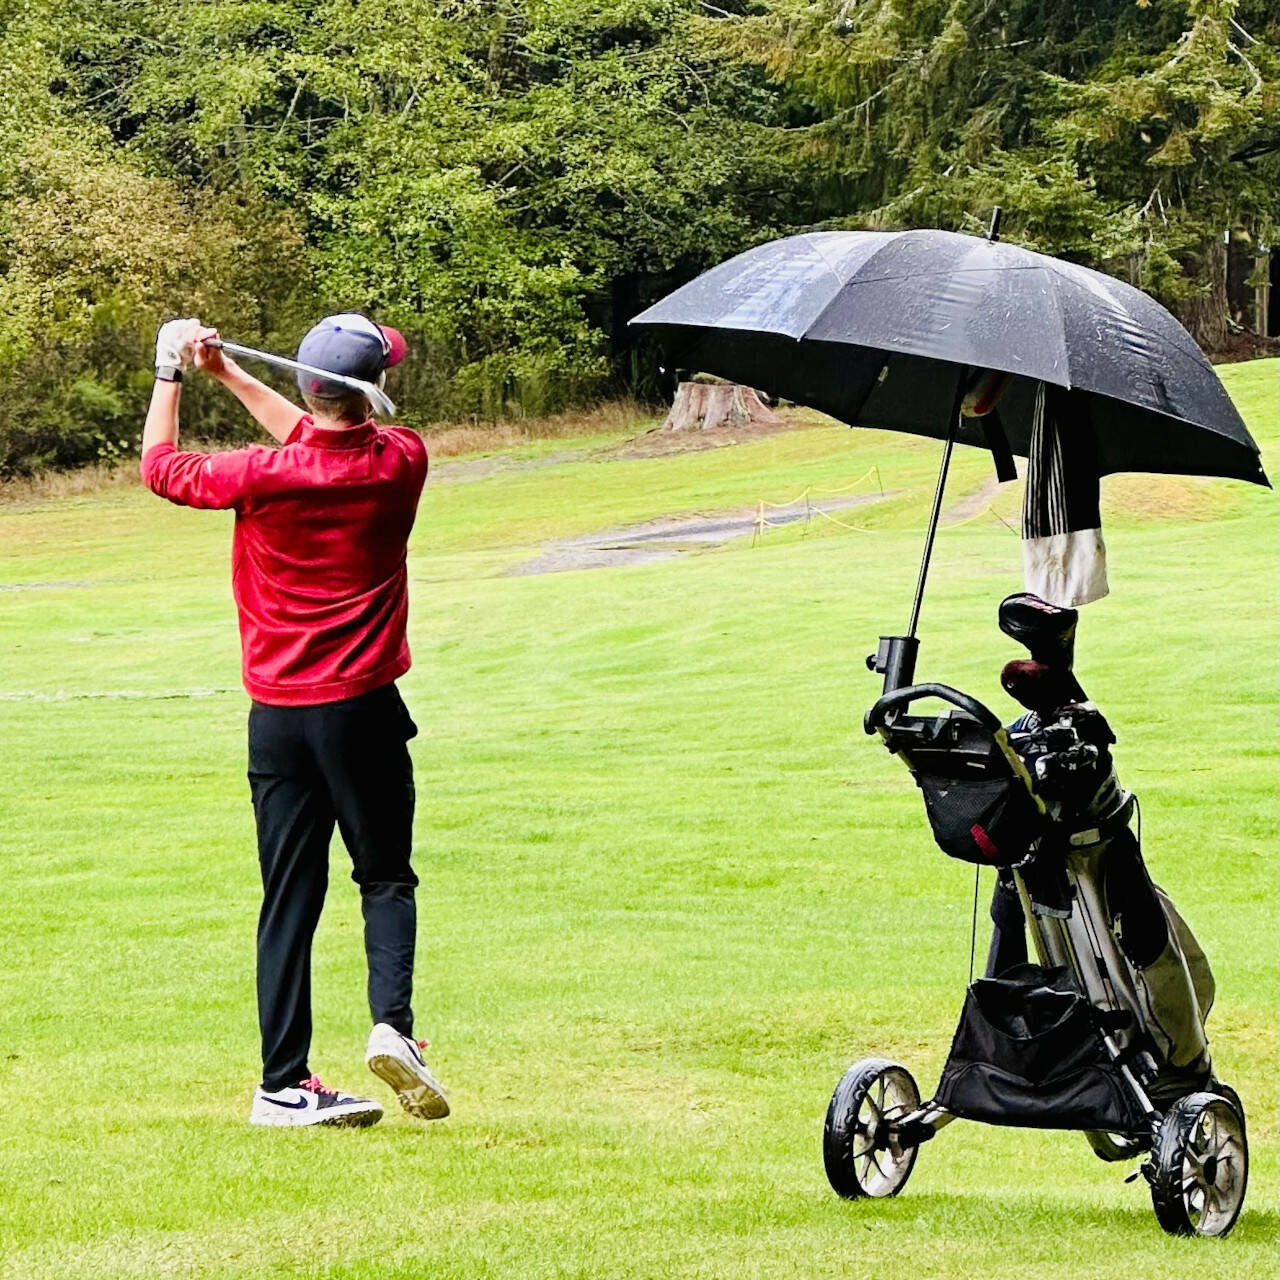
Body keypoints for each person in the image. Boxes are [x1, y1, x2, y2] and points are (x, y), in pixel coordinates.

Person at [140, 314, 449, 1128]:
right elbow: (326, 438)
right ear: (372, 394)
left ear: (309, 388)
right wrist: (228, 375)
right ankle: (395, 1029)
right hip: (362, 712)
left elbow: (162, 469)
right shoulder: (401, 460)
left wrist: (172, 368)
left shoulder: (263, 476)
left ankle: (283, 1083)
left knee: (288, 896)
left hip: (277, 718)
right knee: (383, 877)